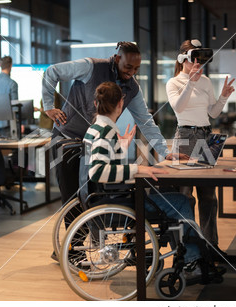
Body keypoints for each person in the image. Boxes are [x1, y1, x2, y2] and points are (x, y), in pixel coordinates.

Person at [85, 81, 215, 276]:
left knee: (168, 194)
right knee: (181, 201)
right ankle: (192, 260)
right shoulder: (106, 131)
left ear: (96, 104)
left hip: (108, 196)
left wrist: (121, 147)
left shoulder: (95, 128)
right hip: (121, 200)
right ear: (121, 104)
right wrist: (139, 169)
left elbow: (103, 163)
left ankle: (188, 255)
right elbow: (97, 171)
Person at [42, 41, 184, 206]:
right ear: (117, 59)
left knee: (93, 197)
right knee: (72, 199)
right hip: (67, 137)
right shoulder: (91, 67)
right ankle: (77, 232)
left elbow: (146, 122)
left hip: (92, 141)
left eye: (136, 69)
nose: (131, 73)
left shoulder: (132, 88)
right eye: (128, 67)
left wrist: (164, 152)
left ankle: (96, 230)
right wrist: (48, 107)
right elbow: (52, 72)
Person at [166, 39, 235, 259]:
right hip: (186, 137)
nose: (198, 62)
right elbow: (178, 107)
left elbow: (213, 113)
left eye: (201, 58)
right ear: (183, 58)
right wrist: (191, 82)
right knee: (185, 196)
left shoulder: (205, 81)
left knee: (209, 197)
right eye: (193, 57)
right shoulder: (173, 82)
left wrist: (224, 95)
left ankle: (211, 247)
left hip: (205, 135)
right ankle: (187, 251)